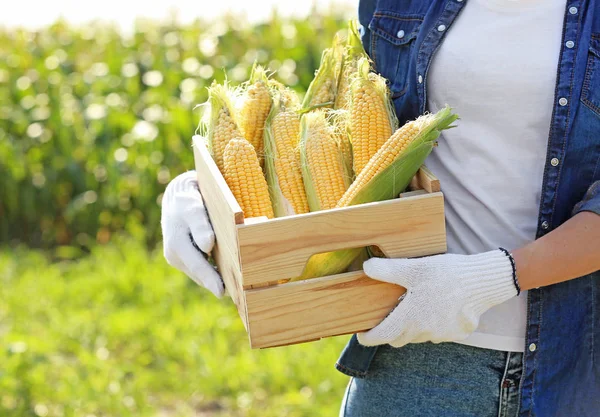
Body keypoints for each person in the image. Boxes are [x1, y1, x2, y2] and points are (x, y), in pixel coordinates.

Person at [161, 0, 600, 415]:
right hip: (414, 346)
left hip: (578, 363)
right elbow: (349, 128)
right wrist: (203, 188)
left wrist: (492, 278)